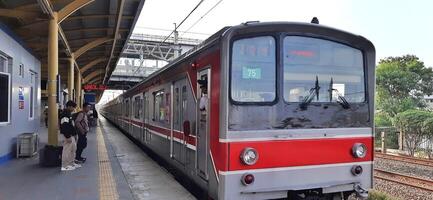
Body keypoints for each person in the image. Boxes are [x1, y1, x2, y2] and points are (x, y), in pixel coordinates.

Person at [60, 101, 81, 171]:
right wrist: (67, 136)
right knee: (67, 150)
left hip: (71, 135)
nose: (74, 109)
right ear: (69, 106)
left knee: (73, 150)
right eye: (73, 107)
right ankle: (64, 166)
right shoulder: (65, 114)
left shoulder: (69, 114)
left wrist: (74, 134)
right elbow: (64, 125)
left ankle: (71, 163)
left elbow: (71, 125)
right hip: (68, 135)